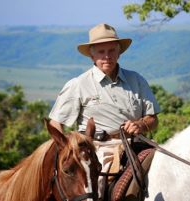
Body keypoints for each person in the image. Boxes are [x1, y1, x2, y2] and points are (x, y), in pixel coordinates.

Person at [48, 23, 160, 199]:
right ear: (92, 55)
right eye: (101, 52)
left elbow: (153, 119)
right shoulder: (78, 84)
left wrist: (140, 124)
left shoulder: (136, 80)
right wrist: (68, 151)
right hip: (98, 149)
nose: (107, 56)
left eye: (111, 51)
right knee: (95, 193)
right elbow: (56, 123)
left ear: (119, 52)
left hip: (138, 145)